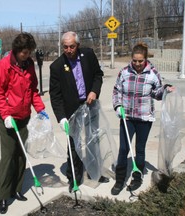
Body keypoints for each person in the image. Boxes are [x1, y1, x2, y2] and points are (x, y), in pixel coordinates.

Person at [0, 32, 48, 214]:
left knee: (21, 155)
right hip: (7, 119)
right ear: (17, 50)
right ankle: (3, 195)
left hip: (24, 116)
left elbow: (32, 90)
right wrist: (5, 115)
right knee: (8, 157)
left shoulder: (29, 65)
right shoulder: (4, 65)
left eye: (29, 52)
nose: (27, 55)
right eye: (25, 52)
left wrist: (40, 108)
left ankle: (16, 189)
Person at [111, 42, 174, 195]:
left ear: (145, 59)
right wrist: (117, 105)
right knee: (124, 149)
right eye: (135, 60)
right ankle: (120, 180)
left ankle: (137, 177)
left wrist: (166, 90)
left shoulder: (152, 74)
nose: (137, 64)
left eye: (140, 61)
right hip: (127, 117)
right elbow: (116, 90)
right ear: (131, 59)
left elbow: (156, 93)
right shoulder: (124, 72)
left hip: (144, 117)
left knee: (139, 149)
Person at [49, 31, 109, 193]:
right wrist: (61, 118)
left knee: (93, 139)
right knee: (73, 145)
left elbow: (98, 75)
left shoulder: (88, 55)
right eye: (65, 47)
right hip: (71, 110)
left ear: (78, 45)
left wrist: (94, 91)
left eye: (72, 46)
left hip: (90, 104)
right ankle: (74, 177)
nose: (68, 50)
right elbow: (55, 96)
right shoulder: (56, 66)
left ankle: (94, 172)